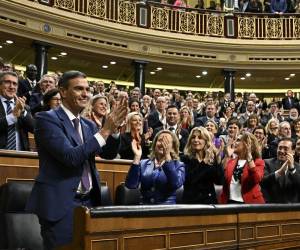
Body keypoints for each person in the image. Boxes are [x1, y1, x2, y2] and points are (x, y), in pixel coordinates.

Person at [26, 71, 128, 249]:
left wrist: (115, 130)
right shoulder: (46, 119)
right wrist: (105, 130)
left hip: (89, 203)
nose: (85, 93)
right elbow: (70, 157)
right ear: (63, 92)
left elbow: (108, 154)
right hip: (60, 205)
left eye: (87, 89)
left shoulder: (88, 125)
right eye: (79, 88)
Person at [125, 130, 185, 204]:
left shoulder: (179, 165)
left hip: (167, 211)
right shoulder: (143, 163)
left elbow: (175, 184)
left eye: (166, 142)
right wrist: (137, 157)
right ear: (154, 144)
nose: (162, 144)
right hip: (145, 210)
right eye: (160, 140)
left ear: (173, 147)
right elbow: (130, 185)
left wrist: (167, 157)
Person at [181, 127, 224, 204]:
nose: (196, 140)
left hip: (209, 202)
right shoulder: (185, 158)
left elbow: (220, 181)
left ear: (206, 141)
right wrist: (204, 161)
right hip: (191, 203)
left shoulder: (212, 158)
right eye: (193, 137)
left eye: (200, 138)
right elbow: (190, 180)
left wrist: (218, 160)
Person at [220, 132, 265, 204]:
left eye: (238, 140)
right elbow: (221, 178)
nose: (234, 142)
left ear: (248, 144)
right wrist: (227, 156)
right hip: (229, 203)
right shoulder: (231, 161)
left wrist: (249, 157)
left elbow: (256, 179)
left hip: (249, 204)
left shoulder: (258, 162)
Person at [0, 71, 35, 151]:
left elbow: (34, 129)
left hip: (20, 156)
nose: (12, 87)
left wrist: (23, 112)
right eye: (7, 82)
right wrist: (13, 116)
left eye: (15, 84)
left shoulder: (24, 107)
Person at [262, 138, 300, 203]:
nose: (281, 151)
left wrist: (292, 169)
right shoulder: (266, 163)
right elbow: (263, 182)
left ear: (293, 152)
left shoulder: (298, 167)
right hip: (270, 208)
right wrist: (279, 173)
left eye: (285, 149)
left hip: (292, 209)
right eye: (279, 148)